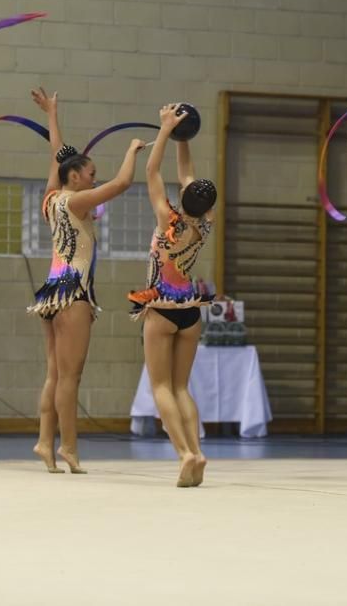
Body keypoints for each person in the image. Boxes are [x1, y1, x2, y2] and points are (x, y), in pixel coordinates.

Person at [28, 87, 146, 474]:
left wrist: (53, 114)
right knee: (71, 377)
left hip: (51, 291)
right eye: (91, 174)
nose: (96, 179)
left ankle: (46, 442)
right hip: (74, 291)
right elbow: (123, 185)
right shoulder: (78, 201)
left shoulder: (51, 199)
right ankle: (70, 448)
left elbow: (57, 155)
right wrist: (131, 151)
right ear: (76, 177)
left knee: (54, 373)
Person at [128, 104, 216, 487]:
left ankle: (185, 454)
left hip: (161, 307)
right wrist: (184, 139)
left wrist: (165, 129)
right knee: (182, 387)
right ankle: (197, 451)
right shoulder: (204, 223)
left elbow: (152, 171)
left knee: (160, 386)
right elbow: (187, 177)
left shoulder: (169, 219)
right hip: (191, 311)